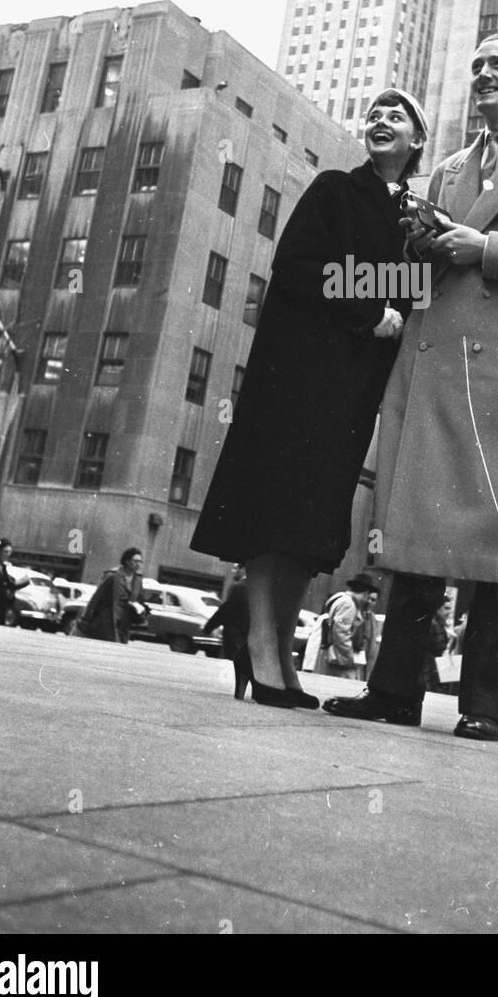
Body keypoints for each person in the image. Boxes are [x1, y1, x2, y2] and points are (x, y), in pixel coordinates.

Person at [325, 35, 498, 741]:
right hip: (440, 370)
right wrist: (366, 279)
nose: (482, 73)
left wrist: (485, 248)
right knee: (419, 536)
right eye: (476, 64)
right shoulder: (447, 170)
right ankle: (393, 692)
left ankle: (484, 705)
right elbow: (423, 277)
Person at [190, 89, 428, 709]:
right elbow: (297, 266)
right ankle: (267, 655)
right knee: (277, 512)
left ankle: (275, 654)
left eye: (396, 116)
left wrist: (388, 303)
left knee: (309, 523)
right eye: (374, 113)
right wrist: (368, 309)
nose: (380, 121)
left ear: (417, 142)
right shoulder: (333, 190)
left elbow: (410, 292)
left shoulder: (410, 216)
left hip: (352, 393)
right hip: (299, 378)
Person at [311, 573, 376, 680]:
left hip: (337, 658)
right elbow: (341, 632)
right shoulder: (348, 604)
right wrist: (348, 658)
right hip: (340, 662)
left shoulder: (344, 600)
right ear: (365, 593)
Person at [202, 564, 252, 699]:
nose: (233, 571)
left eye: (236, 568)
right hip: (249, 634)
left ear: (244, 568)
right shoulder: (256, 588)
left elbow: (226, 610)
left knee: (238, 662)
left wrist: (209, 627)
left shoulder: (238, 588)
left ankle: (239, 690)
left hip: (235, 634)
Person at [75, 548, 144, 643]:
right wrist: (86, 619)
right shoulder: (113, 576)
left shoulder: (138, 580)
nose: (138, 564)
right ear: (127, 561)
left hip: (124, 623)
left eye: (140, 561)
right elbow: (96, 598)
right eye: (135, 561)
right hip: (108, 620)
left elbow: (139, 600)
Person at [423, 595, 453, 692]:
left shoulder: (440, 625)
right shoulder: (433, 624)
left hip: (436, 671)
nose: (449, 612)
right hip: (430, 671)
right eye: (446, 608)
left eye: (450, 609)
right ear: (437, 609)